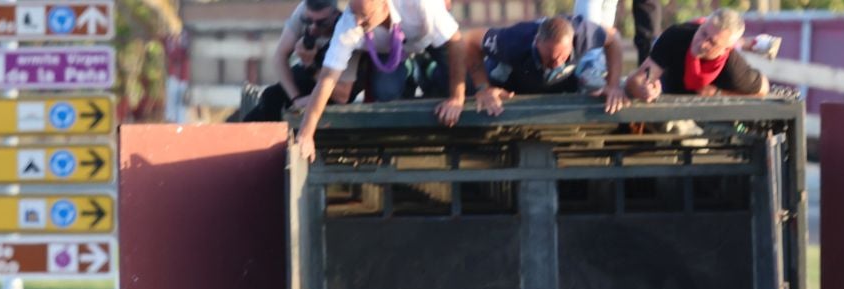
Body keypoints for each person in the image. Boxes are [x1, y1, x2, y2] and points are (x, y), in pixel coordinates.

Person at [294, 0, 463, 163]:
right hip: (392, 49)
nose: (359, 21)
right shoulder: (349, 23)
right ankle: (411, 71)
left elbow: (456, 41)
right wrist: (306, 133)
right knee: (385, 92)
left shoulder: (420, 4)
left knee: (462, 85)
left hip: (431, 39)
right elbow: (327, 79)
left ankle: (427, 70)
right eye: (355, 13)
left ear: (384, 4)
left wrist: (456, 98)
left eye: (365, 15)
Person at [438, 14, 624, 124]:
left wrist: (613, 85)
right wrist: (483, 88)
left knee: (592, 80)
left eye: (562, 56)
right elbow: (469, 40)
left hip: (560, 83)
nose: (556, 63)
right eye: (550, 58)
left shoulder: (584, 34)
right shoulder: (515, 40)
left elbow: (613, 39)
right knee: (453, 84)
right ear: (536, 42)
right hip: (509, 82)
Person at [235, 0, 343, 123]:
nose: (313, 28)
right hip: (313, 80)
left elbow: (342, 96)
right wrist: (295, 98)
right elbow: (280, 56)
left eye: (321, 23)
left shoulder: (347, 25)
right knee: (270, 98)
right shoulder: (304, 11)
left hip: (334, 87)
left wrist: (310, 65)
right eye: (308, 21)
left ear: (336, 13)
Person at [626, 8, 768, 101]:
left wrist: (719, 94)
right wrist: (645, 89)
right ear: (702, 24)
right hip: (667, 96)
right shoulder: (677, 35)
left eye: (712, 42)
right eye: (703, 33)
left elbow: (763, 89)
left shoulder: (733, 69)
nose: (702, 43)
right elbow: (636, 80)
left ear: (726, 49)